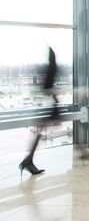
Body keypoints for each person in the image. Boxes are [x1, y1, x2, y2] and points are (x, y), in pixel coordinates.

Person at [19, 47, 58, 176]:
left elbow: (47, 87)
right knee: (39, 132)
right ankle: (28, 160)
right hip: (49, 106)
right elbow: (48, 88)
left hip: (49, 105)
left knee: (39, 132)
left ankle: (28, 160)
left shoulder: (47, 69)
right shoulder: (50, 69)